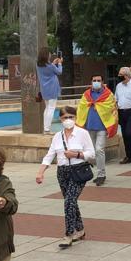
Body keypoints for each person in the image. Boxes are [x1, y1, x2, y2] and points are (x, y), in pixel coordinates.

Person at [36, 106, 95, 248]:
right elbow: (50, 155)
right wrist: (40, 172)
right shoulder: (57, 136)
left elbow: (92, 154)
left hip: (78, 171)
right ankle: (80, 230)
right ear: (60, 119)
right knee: (71, 201)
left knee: (69, 201)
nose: (68, 120)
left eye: (71, 117)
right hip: (62, 172)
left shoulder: (83, 133)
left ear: (75, 117)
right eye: (64, 118)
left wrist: (76, 155)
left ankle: (69, 234)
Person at [76, 74, 118, 186]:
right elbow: (81, 108)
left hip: (102, 128)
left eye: (98, 80)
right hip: (89, 128)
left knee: (99, 150)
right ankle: (90, 172)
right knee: (91, 152)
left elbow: (112, 107)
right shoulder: (86, 95)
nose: (96, 82)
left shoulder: (108, 95)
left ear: (102, 82)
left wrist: (98, 106)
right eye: (94, 80)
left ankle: (101, 175)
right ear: (91, 82)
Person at [36, 47, 63, 134]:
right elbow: (59, 72)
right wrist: (59, 63)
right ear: (46, 55)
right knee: (51, 108)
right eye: (49, 53)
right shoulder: (50, 66)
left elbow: (48, 68)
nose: (50, 55)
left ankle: (46, 128)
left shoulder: (38, 65)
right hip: (52, 88)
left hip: (44, 89)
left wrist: (53, 63)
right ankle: (47, 129)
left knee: (47, 108)